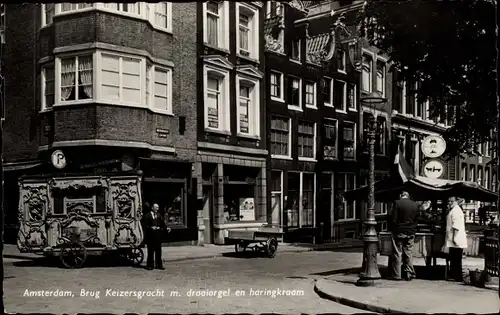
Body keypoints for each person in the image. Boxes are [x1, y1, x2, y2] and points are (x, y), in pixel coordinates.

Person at [388, 191, 419, 281]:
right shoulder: (415, 204)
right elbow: (417, 219)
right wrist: (412, 228)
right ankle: (409, 273)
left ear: (401, 195)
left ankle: (397, 275)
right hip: (411, 232)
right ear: (408, 196)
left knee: (397, 253)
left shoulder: (397, 203)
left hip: (399, 231)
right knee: (408, 253)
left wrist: (395, 227)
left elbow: (394, 219)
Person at [445, 197, 468, 282]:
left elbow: (456, 226)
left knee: (456, 258)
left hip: (456, 238)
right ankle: (454, 275)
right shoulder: (454, 210)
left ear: (456, 202)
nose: (450, 203)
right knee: (454, 257)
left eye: (452, 201)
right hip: (454, 238)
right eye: (449, 201)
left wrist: (454, 238)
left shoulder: (456, 211)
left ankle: (457, 276)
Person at [142, 203, 171, 270]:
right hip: (150, 236)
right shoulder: (147, 215)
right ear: (152, 208)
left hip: (157, 236)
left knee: (158, 251)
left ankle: (159, 265)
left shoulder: (158, 215)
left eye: (158, 207)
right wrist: (151, 227)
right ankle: (150, 265)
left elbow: (162, 224)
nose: (157, 209)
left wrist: (166, 228)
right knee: (150, 252)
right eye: (156, 207)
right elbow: (144, 225)